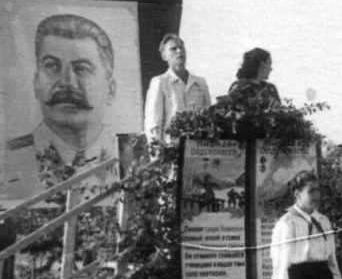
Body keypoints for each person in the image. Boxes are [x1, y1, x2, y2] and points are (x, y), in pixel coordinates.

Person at [5, 14, 120, 199]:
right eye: (52, 66)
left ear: (111, 89)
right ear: (36, 84)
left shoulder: (127, 156)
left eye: (82, 68)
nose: (67, 82)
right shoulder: (8, 159)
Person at [144, 33, 211, 144]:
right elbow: (153, 121)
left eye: (181, 48)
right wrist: (157, 147)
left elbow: (208, 117)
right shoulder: (160, 82)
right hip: (172, 147)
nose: (179, 51)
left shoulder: (200, 83)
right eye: (173, 49)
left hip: (197, 147)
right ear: (164, 56)